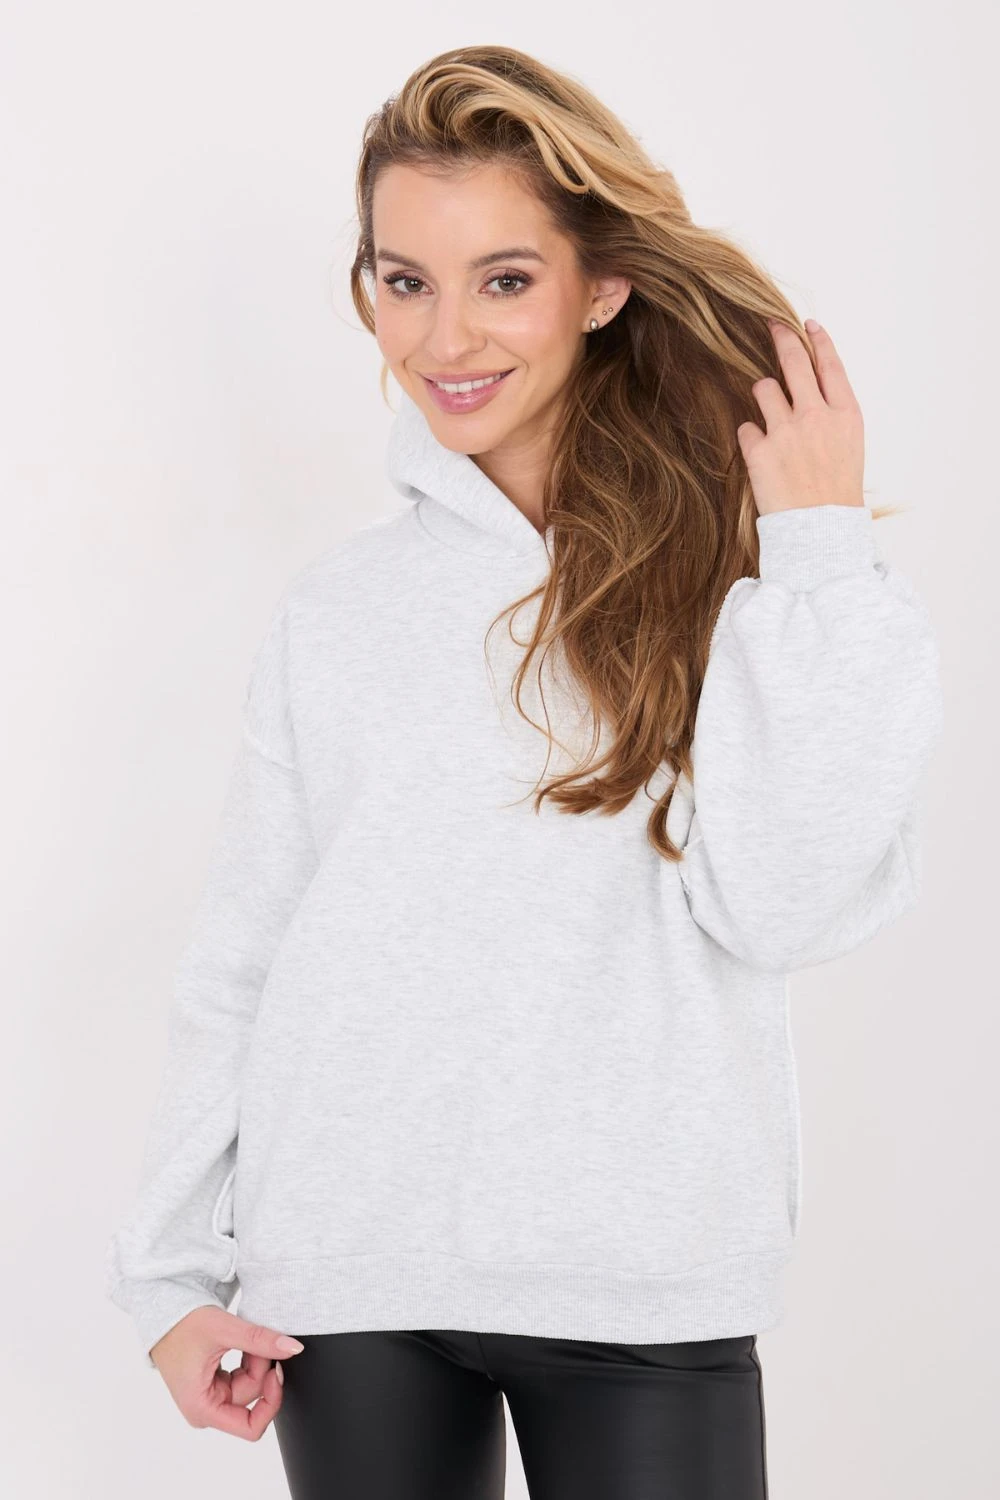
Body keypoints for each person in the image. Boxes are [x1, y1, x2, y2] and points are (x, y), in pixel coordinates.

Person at [104, 43, 944, 1500]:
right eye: (404, 281)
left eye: (503, 278)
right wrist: (171, 1275)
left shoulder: (743, 583)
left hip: (645, 1272)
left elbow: (788, 904)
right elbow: (245, 952)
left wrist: (816, 553)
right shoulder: (337, 613)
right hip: (349, 1272)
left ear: (600, 285)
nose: (444, 338)